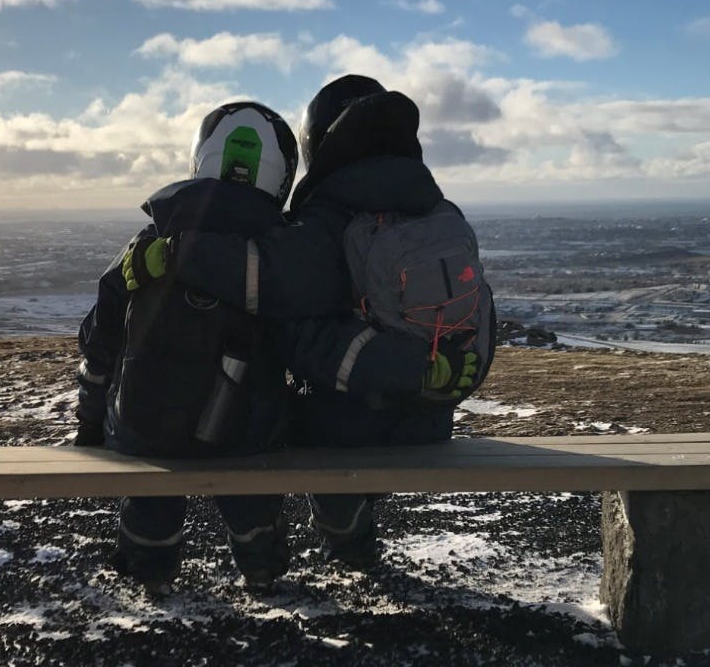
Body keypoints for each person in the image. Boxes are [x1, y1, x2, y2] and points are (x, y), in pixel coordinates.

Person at [122, 75, 494, 569]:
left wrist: (178, 253)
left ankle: (341, 540)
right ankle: (347, 543)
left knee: (282, 401)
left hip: (351, 428)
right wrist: (439, 381)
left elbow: (267, 281)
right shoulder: (437, 209)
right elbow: (477, 311)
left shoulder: (329, 220)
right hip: (430, 423)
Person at [75, 100, 437, 592]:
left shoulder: (151, 241)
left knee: (149, 484)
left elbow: (99, 338)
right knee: (254, 477)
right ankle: (260, 565)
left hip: (144, 433)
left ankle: (150, 570)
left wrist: (91, 422)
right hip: (244, 439)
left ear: (202, 154)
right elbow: (301, 345)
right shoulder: (281, 252)